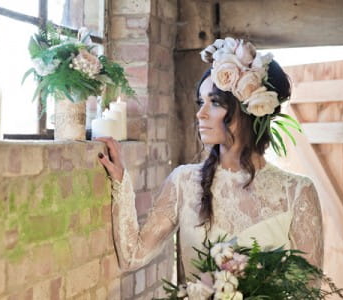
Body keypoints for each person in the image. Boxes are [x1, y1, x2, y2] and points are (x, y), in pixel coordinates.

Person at [94, 38, 323, 282]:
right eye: (200, 102)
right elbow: (132, 256)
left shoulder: (297, 192)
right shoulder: (183, 182)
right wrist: (121, 182)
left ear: (249, 109)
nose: (200, 114)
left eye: (214, 102)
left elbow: (310, 288)